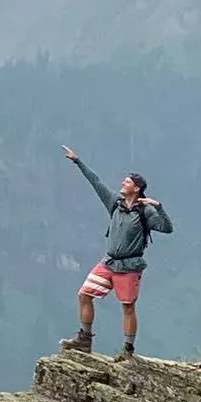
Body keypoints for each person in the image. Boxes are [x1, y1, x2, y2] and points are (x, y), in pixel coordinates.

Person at [58, 145, 172, 360]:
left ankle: (128, 350)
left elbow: (167, 228)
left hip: (129, 266)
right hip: (109, 262)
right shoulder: (115, 203)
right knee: (84, 294)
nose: (122, 184)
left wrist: (158, 206)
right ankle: (84, 339)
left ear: (137, 188)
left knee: (127, 306)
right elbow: (96, 182)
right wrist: (78, 161)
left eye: (127, 182)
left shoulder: (145, 211)